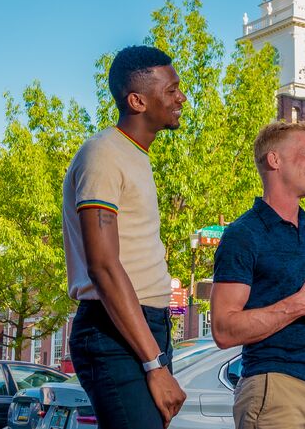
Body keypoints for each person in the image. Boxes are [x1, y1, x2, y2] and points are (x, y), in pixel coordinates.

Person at [62, 45, 188, 428]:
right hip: (112, 330)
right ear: (137, 100)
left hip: (145, 325)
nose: (181, 97)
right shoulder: (103, 154)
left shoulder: (135, 157)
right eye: (171, 89)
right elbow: (102, 265)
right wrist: (153, 364)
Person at [211, 121, 305, 429]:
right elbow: (223, 330)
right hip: (274, 391)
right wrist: (300, 304)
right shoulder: (243, 234)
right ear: (274, 160)